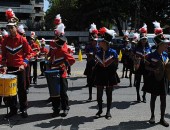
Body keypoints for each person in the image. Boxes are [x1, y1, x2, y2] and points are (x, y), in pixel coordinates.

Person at [2, 8, 30, 118]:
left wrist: (24, 64)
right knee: (11, 91)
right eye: (8, 27)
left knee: (22, 90)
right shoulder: (5, 40)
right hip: (10, 68)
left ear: (16, 27)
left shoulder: (23, 40)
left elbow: (29, 54)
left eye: (12, 27)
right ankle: (13, 109)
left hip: (20, 68)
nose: (10, 29)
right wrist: (4, 65)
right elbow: (3, 55)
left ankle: (23, 109)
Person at [47, 21, 75, 117]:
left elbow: (72, 60)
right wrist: (49, 61)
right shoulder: (54, 49)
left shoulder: (63, 50)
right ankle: (56, 109)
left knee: (63, 92)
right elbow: (51, 58)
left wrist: (63, 65)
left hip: (62, 73)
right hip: (53, 73)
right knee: (55, 93)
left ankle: (65, 108)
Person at [142, 29, 169, 127]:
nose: (166, 45)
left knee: (163, 99)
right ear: (159, 45)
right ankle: (152, 116)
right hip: (154, 79)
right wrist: (153, 70)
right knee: (153, 98)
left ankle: (162, 118)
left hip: (164, 80)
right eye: (165, 44)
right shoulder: (151, 55)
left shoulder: (166, 55)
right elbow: (146, 66)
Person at [94, 27, 118, 120]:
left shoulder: (113, 52)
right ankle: (100, 110)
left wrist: (112, 71)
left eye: (101, 42)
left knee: (109, 94)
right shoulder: (98, 52)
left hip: (110, 74)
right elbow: (96, 63)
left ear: (106, 43)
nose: (100, 43)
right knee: (99, 94)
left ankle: (108, 111)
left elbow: (116, 64)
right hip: (100, 74)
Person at [133, 24, 151, 103]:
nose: (144, 40)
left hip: (146, 66)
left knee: (146, 81)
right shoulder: (137, 48)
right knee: (138, 81)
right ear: (140, 40)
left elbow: (150, 57)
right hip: (139, 66)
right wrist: (135, 58)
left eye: (145, 39)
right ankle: (138, 95)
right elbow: (132, 55)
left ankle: (144, 95)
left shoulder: (148, 48)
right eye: (143, 39)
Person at [84, 23, 99, 101]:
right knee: (89, 81)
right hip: (90, 64)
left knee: (97, 82)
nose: (94, 42)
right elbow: (85, 52)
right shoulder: (88, 46)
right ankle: (90, 96)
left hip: (97, 65)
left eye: (95, 41)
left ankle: (97, 96)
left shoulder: (99, 47)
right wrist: (89, 54)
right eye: (93, 41)